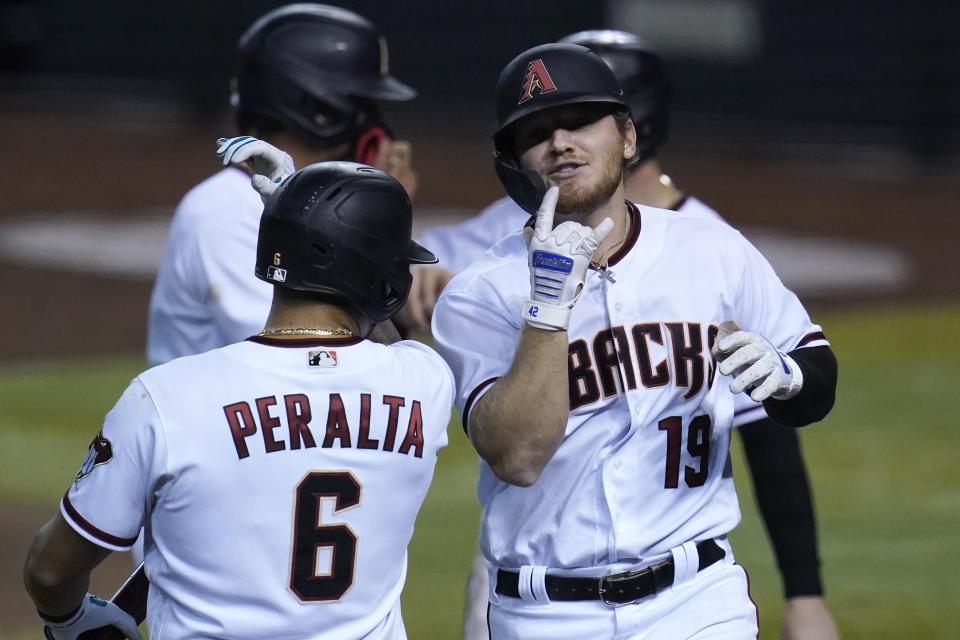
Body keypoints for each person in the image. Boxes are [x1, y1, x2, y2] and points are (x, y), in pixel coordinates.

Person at [416, 30, 840, 640]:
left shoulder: (710, 249)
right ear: (512, 166)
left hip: (699, 600)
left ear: (630, 136)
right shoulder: (483, 292)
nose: (560, 143)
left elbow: (816, 377)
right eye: (535, 133)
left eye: (580, 121)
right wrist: (547, 311)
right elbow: (517, 456)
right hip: (546, 614)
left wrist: (787, 377)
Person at [23, 161, 453, 639]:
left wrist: (71, 622)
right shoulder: (425, 382)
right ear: (382, 275)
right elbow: (380, 339)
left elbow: (50, 570)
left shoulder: (164, 398)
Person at [148, 3, 418, 367]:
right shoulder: (224, 211)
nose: (379, 128)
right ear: (320, 109)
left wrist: (376, 222)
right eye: (365, 106)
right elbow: (311, 356)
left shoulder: (299, 206)